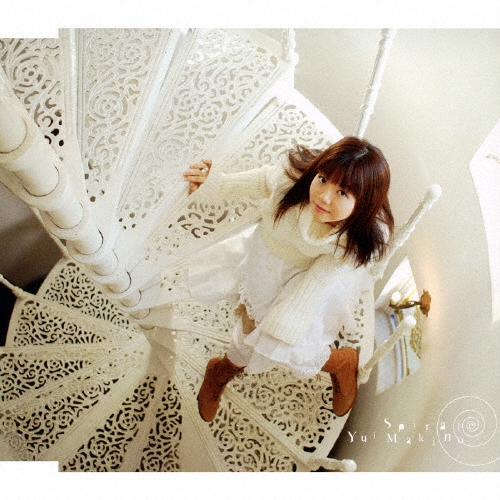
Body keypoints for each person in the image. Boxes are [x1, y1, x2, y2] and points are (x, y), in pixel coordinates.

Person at [182, 136, 394, 422]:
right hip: (263, 257)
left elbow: (316, 282)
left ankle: (341, 362)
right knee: (252, 329)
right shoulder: (294, 179)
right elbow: (263, 181)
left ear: (362, 204)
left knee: (290, 344)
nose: (324, 197)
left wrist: (283, 323)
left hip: (304, 280)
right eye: (323, 179)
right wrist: (217, 183)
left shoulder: (350, 241)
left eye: (342, 192)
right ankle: (223, 369)